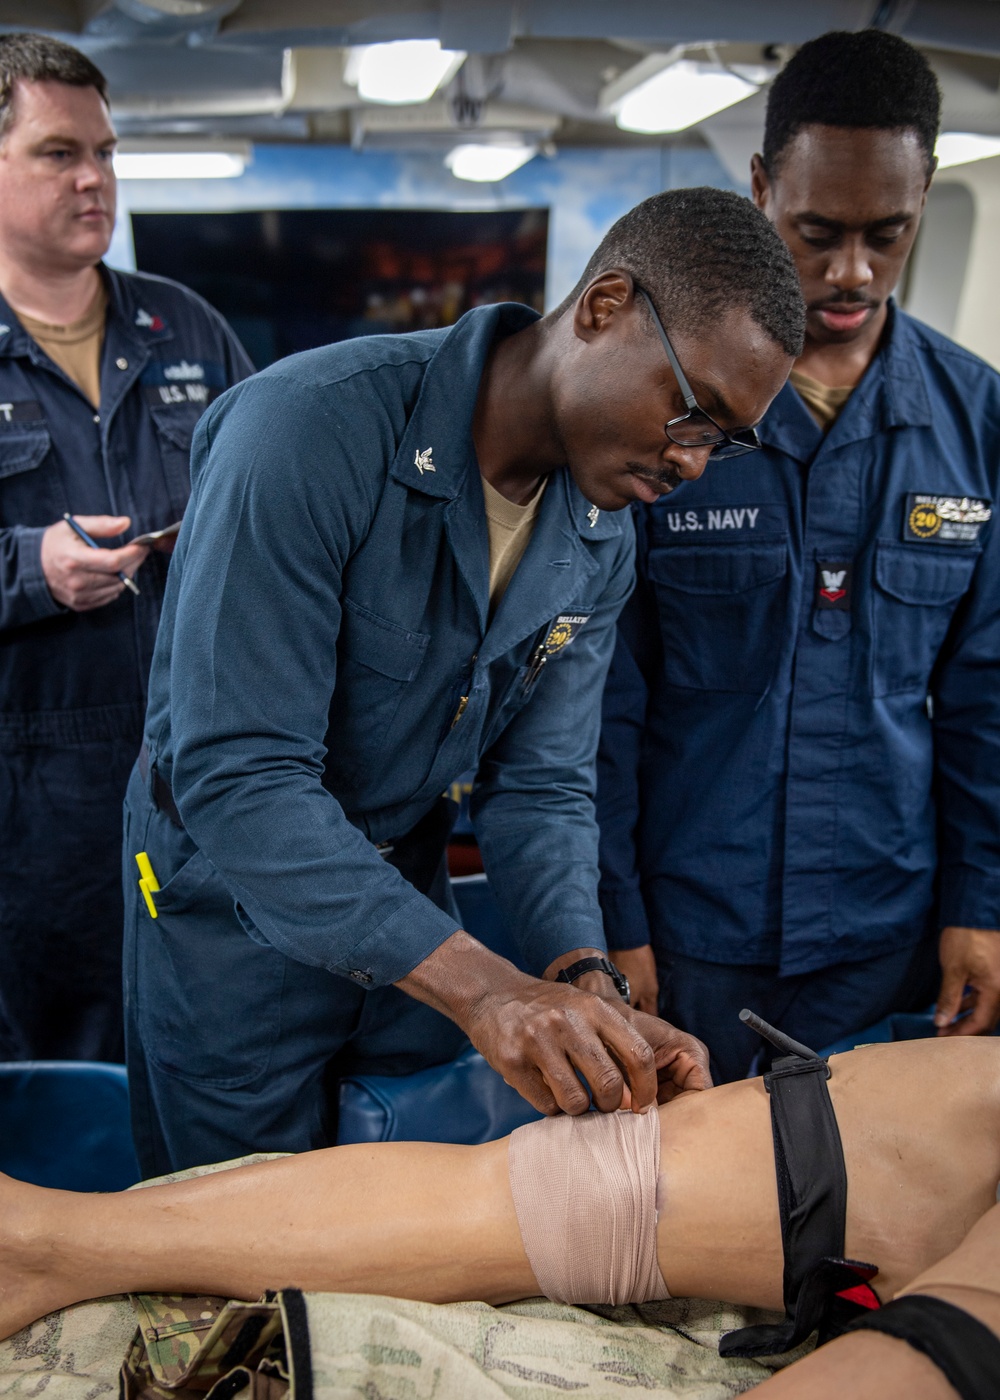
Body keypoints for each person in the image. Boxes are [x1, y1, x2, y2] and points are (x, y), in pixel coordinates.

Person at [123, 187, 804, 1174]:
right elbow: (240, 776)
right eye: (692, 411)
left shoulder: (598, 531)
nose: (695, 463)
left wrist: (581, 975)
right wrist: (488, 987)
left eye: (724, 438)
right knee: (234, 1244)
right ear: (603, 306)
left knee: (404, 1213)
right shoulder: (305, 432)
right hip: (231, 916)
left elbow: (542, 786)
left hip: (405, 897)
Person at [597, 29, 1000, 1079]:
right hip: (692, 936)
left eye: (888, 234)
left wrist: (980, 905)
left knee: (872, 1228)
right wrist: (610, 922)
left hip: (885, 932)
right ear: (762, 187)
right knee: (688, 1231)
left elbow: (984, 700)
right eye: (815, 231)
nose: (850, 271)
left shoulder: (974, 421)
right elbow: (598, 697)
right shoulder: (665, 411)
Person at [0, 1036, 996, 1351]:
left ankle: (48, 1237)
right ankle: (45, 1237)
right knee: (553, 1194)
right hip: (838, 1163)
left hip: (850, 1168)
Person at [0, 32, 252, 1061]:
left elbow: (267, 498)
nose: (96, 177)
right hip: (24, 807)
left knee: (194, 1063)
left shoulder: (184, 327)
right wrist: (31, 567)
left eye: (105, 150)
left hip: (192, 778)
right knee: (44, 1088)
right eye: (59, 153)